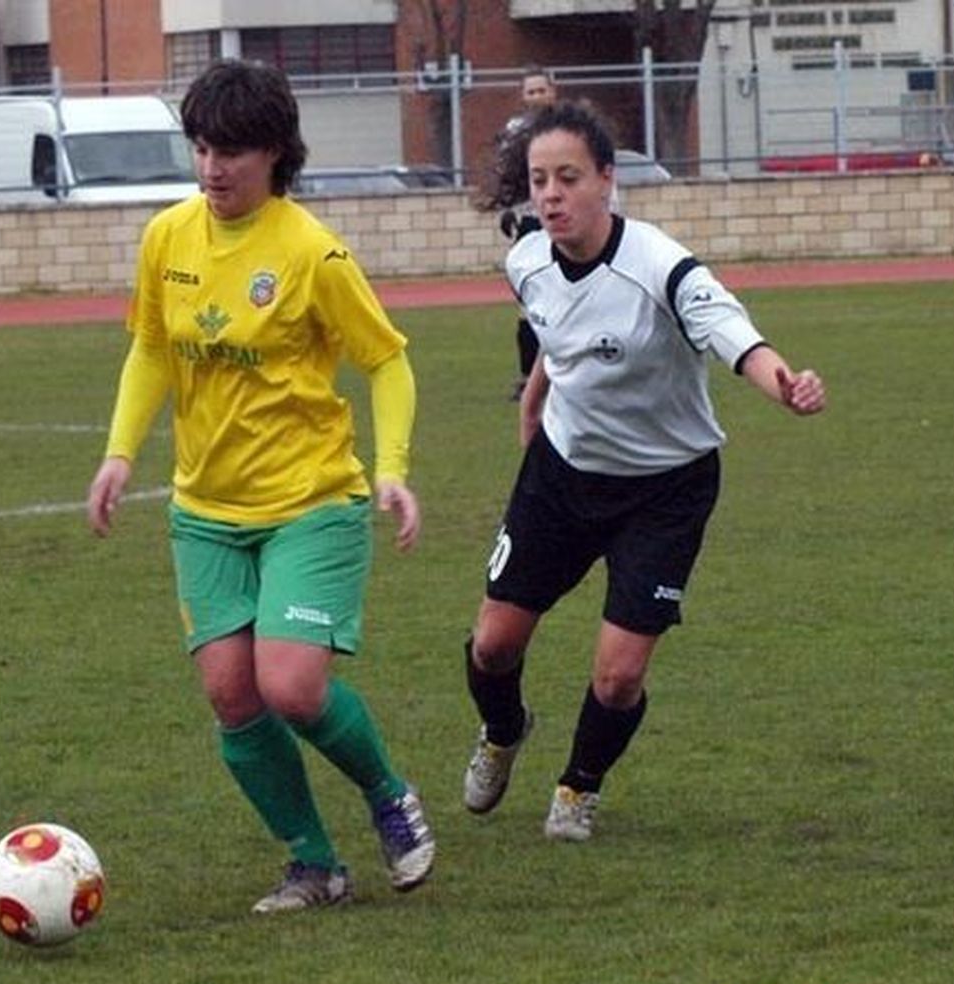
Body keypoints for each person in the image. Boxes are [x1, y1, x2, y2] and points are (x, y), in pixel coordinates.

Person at [85, 59, 434, 914]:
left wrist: (392, 471)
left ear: (276, 153)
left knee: (291, 686)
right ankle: (313, 863)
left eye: (232, 151)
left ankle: (389, 794)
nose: (212, 168)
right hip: (205, 512)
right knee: (232, 695)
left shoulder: (312, 253)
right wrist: (120, 451)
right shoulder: (168, 238)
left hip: (311, 502)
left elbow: (387, 360)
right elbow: (152, 349)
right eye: (201, 147)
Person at [459, 101, 826, 842]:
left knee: (618, 675)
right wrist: (532, 406)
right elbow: (553, 341)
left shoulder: (661, 267)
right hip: (563, 475)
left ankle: (578, 786)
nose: (552, 194)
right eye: (539, 180)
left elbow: (734, 335)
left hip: (667, 487)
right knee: (494, 644)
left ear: (607, 180)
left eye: (568, 177)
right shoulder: (525, 260)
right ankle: (503, 730)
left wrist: (782, 382)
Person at [489, 66, 559, 401]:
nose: (535, 97)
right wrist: (508, 210)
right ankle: (528, 377)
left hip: (563, 219)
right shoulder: (515, 132)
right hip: (531, 223)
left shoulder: (567, 126)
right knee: (529, 303)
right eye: (529, 92)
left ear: (552, 92)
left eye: (540, 90)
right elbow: (506, 176)